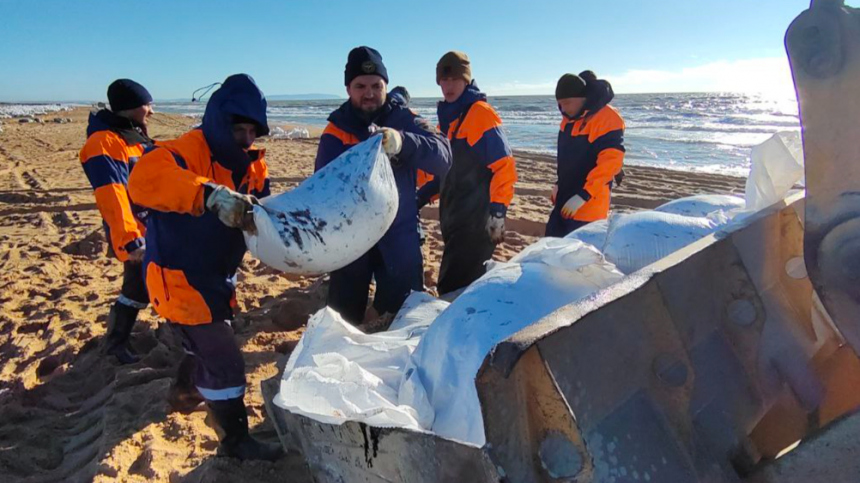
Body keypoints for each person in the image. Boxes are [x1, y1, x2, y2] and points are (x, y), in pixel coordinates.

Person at [128, 74, 282, 461]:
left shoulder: (250, 167)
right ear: (218, 122)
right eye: (238, 128)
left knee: (204, 347)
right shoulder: (180, 153)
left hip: (217, 276)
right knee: (224, 356)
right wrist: (208, 195)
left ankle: (183, 392)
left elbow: (265, 214)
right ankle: (234, 441)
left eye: (252, 130)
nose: (246, 138)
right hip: (177, 276)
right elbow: (142, 180)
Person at [315, 46, 452, 324]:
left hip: (398, 231)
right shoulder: (336, 129)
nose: (369, 93)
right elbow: (321, 186)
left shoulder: (404, 118)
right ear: (348, 89)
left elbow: (443, 156)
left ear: (386, 86)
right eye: (360, 86)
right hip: (350, 236)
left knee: (403, 313)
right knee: (343, 315)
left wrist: (402, 142)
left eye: (376, 85)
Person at [419, 51, 517, 295]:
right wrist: (427, 192)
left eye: (455, 80)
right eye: (444, 80)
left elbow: (504, 165)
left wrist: (497, 212)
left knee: (453, 287)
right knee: (463, 285)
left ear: (466, 80)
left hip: (476, 221)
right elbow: (452, 169)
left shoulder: (481, 114)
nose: (448, 86)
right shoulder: (450, 118)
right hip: (455, 218)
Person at [79, 79, 154, 364]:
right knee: (135, 286)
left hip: (151, 225)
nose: (151, 111)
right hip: (135, 230)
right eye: (147, 104)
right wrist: (130, 241)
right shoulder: (104, 142)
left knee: (145, 284)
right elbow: (112, 195)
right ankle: (115, 344)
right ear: (131, 107)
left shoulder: (131, 135)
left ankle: (117, 341)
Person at [546, 71, 625, 237]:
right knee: (550, 248)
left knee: (578, 257)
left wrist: (584, 195)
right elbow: (568, 159)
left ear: (583, 98)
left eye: (567, 103)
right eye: (559, 104)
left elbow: (610, 162)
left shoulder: (607, 118)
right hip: (564, 199)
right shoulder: (568, 119)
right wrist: (558, 183)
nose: (563, 108)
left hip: (588, 206)